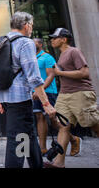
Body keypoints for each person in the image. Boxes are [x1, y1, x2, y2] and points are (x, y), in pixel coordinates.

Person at [0, 12, 56, 168]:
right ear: (26, 25)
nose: (31, 29)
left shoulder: (0, 41)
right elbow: (34, 77)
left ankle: (36, 164)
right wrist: (46, 104)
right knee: (18, 139)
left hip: (7, 98)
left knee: (28, 135)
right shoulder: (26, 43)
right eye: (32, 26)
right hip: (20, 99)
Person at [44, 28, 99, 168]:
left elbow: (84, 73)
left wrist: (59, 72)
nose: (52, 40)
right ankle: (58, 163)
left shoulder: (74, 51)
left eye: (55, 38)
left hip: (80, 93)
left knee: (92, 123)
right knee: (63, 126)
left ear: (64, 39)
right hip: (64, 94)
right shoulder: (61, 55)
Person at [32, 38, 60, 155]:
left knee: (53, 119)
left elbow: (51, 76)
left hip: (48, 92)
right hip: (35, 93)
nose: (32, 44)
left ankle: (73, 139)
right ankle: (42, 148)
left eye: (34, 42)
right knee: (40, 117)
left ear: (40, 44)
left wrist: (41, 90)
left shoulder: (47, 57)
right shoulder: (31, 58)